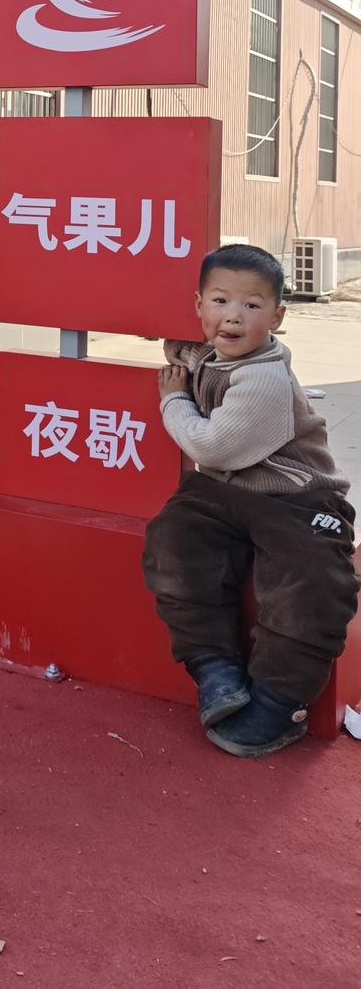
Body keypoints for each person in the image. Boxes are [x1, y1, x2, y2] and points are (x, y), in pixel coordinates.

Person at [142, 243, 358, 757]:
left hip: (296, 495)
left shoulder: (264, 378)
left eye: (252, 305)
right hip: (223, 491)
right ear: (199, 305)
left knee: (310, 582)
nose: (233, 316)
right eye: (220, 301)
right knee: (173, 541)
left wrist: (173, 400)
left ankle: (280, 700)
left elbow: (210, 446)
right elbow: (188, 351)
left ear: (278, 317)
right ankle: (212, 664)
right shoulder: (210, 353)